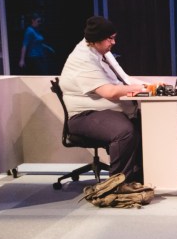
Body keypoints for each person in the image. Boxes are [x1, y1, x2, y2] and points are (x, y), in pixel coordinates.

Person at [59, 15, 148, 191]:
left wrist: (153, 86)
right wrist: (144, 88)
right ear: (95, 40)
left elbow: (124, 79)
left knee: (145, 125)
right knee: (124, 131)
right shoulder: (83, 58)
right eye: (110, 38)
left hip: (102, 112)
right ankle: (116, 185)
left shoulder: (102, 52)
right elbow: (110, 92)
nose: (114, 42)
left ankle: (138, 177)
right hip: (84, 116)